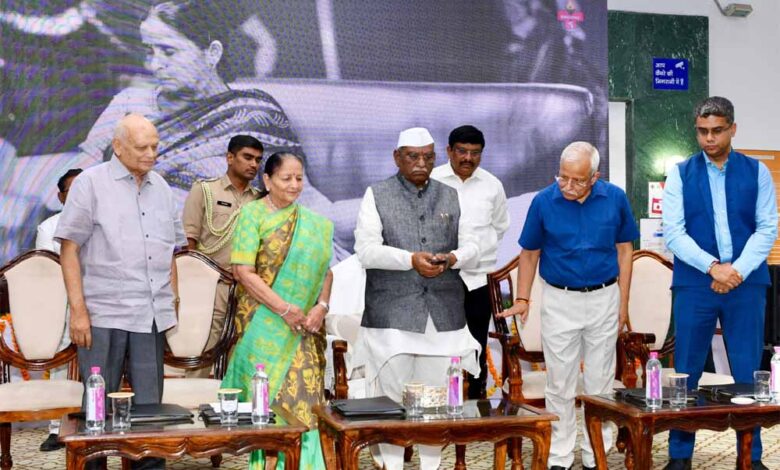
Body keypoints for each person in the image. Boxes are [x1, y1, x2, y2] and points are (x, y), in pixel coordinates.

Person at [55, 113, 185, 470]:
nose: (151, 154)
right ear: (118, 146)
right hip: (103, 316)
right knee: (97, 412)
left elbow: (171, 251)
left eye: (155, 146)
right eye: (142, 147)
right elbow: (69, 250)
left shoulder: (162, 188)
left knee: (150, 413)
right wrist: (78, 311)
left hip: (151, 318)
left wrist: (173, 300)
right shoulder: (90, 184)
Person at [500, 141, 638, 470]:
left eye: (577, 180)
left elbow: (625, 251)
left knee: (600, 383)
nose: (568, 186)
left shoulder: (615, 198)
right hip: (559, 299)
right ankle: (559, 457)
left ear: (595, 177)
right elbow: (529, 254)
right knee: (559, 382)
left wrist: (624, 302)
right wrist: (522, 298)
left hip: (604, 297)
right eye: (563, 177)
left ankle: (595, 455)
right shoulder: (543, 201)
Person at [354, 127, 481, 470]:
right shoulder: (376, 194)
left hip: (442, 314)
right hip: (392, 314)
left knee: (435, 399)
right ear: (397, 157)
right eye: (412, 156)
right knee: (391, 400)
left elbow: (473, 245)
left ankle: (430, 467)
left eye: (427, 156)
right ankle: (393, 467)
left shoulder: (451, 195)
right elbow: (366, 250)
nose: (421, 163)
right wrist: (409, 259)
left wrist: (452, 258)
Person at [662, 97, 776, 470]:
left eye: (717, 131)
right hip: (695, 283)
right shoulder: (680, 173)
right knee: (686, 371)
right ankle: (680, 457)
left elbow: (767, 228)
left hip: (746, 283)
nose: (709, 138)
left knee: (747, 371)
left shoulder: (757, 171)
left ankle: (751, 457)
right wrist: (714, 268)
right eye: (702, 131)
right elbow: (674, 233)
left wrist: (735, 271)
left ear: (732, 129)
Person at [220, 152, 334, 469]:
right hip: (263, 324)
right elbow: (243, 271)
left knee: (305, 398)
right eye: (287, 178)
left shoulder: (313, 224)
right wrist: (284, 309)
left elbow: (325, 272)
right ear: (267, 180)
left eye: (299, 178)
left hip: (304, 328)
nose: (294, 185)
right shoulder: (252, 215)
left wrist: (321, 307)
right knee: (268, 400)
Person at [430, 125, 509, 399]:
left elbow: (499, 227)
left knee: (476, 343)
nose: (468, 158)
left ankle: (476, 402)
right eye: (462, 151)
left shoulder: (492, 185)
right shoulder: (431, 180)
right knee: (438, 343)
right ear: (449, 151)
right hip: (438, 279)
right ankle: (440, 401)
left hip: (477, 279)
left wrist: (476, 252)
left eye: (475, 153)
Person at [181, 135, 262, 377]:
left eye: (258, 160)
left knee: (242, 352)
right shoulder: (205, 190)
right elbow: (188, 243)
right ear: (229, 157)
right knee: (204, 348)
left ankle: (235, 399)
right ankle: (193, 399)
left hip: (247, 288)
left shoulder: (259, 199)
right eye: (248, 157)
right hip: (211, 286)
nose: (254, 164)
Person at [34, 167, 82, 452]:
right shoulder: (49, 228)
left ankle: (103, 423)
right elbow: (48, 273)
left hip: (104, 302)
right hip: (63, 303)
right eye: (71, 191)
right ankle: (57, 428)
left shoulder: (108, 221)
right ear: (60, 197)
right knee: (61, 364)